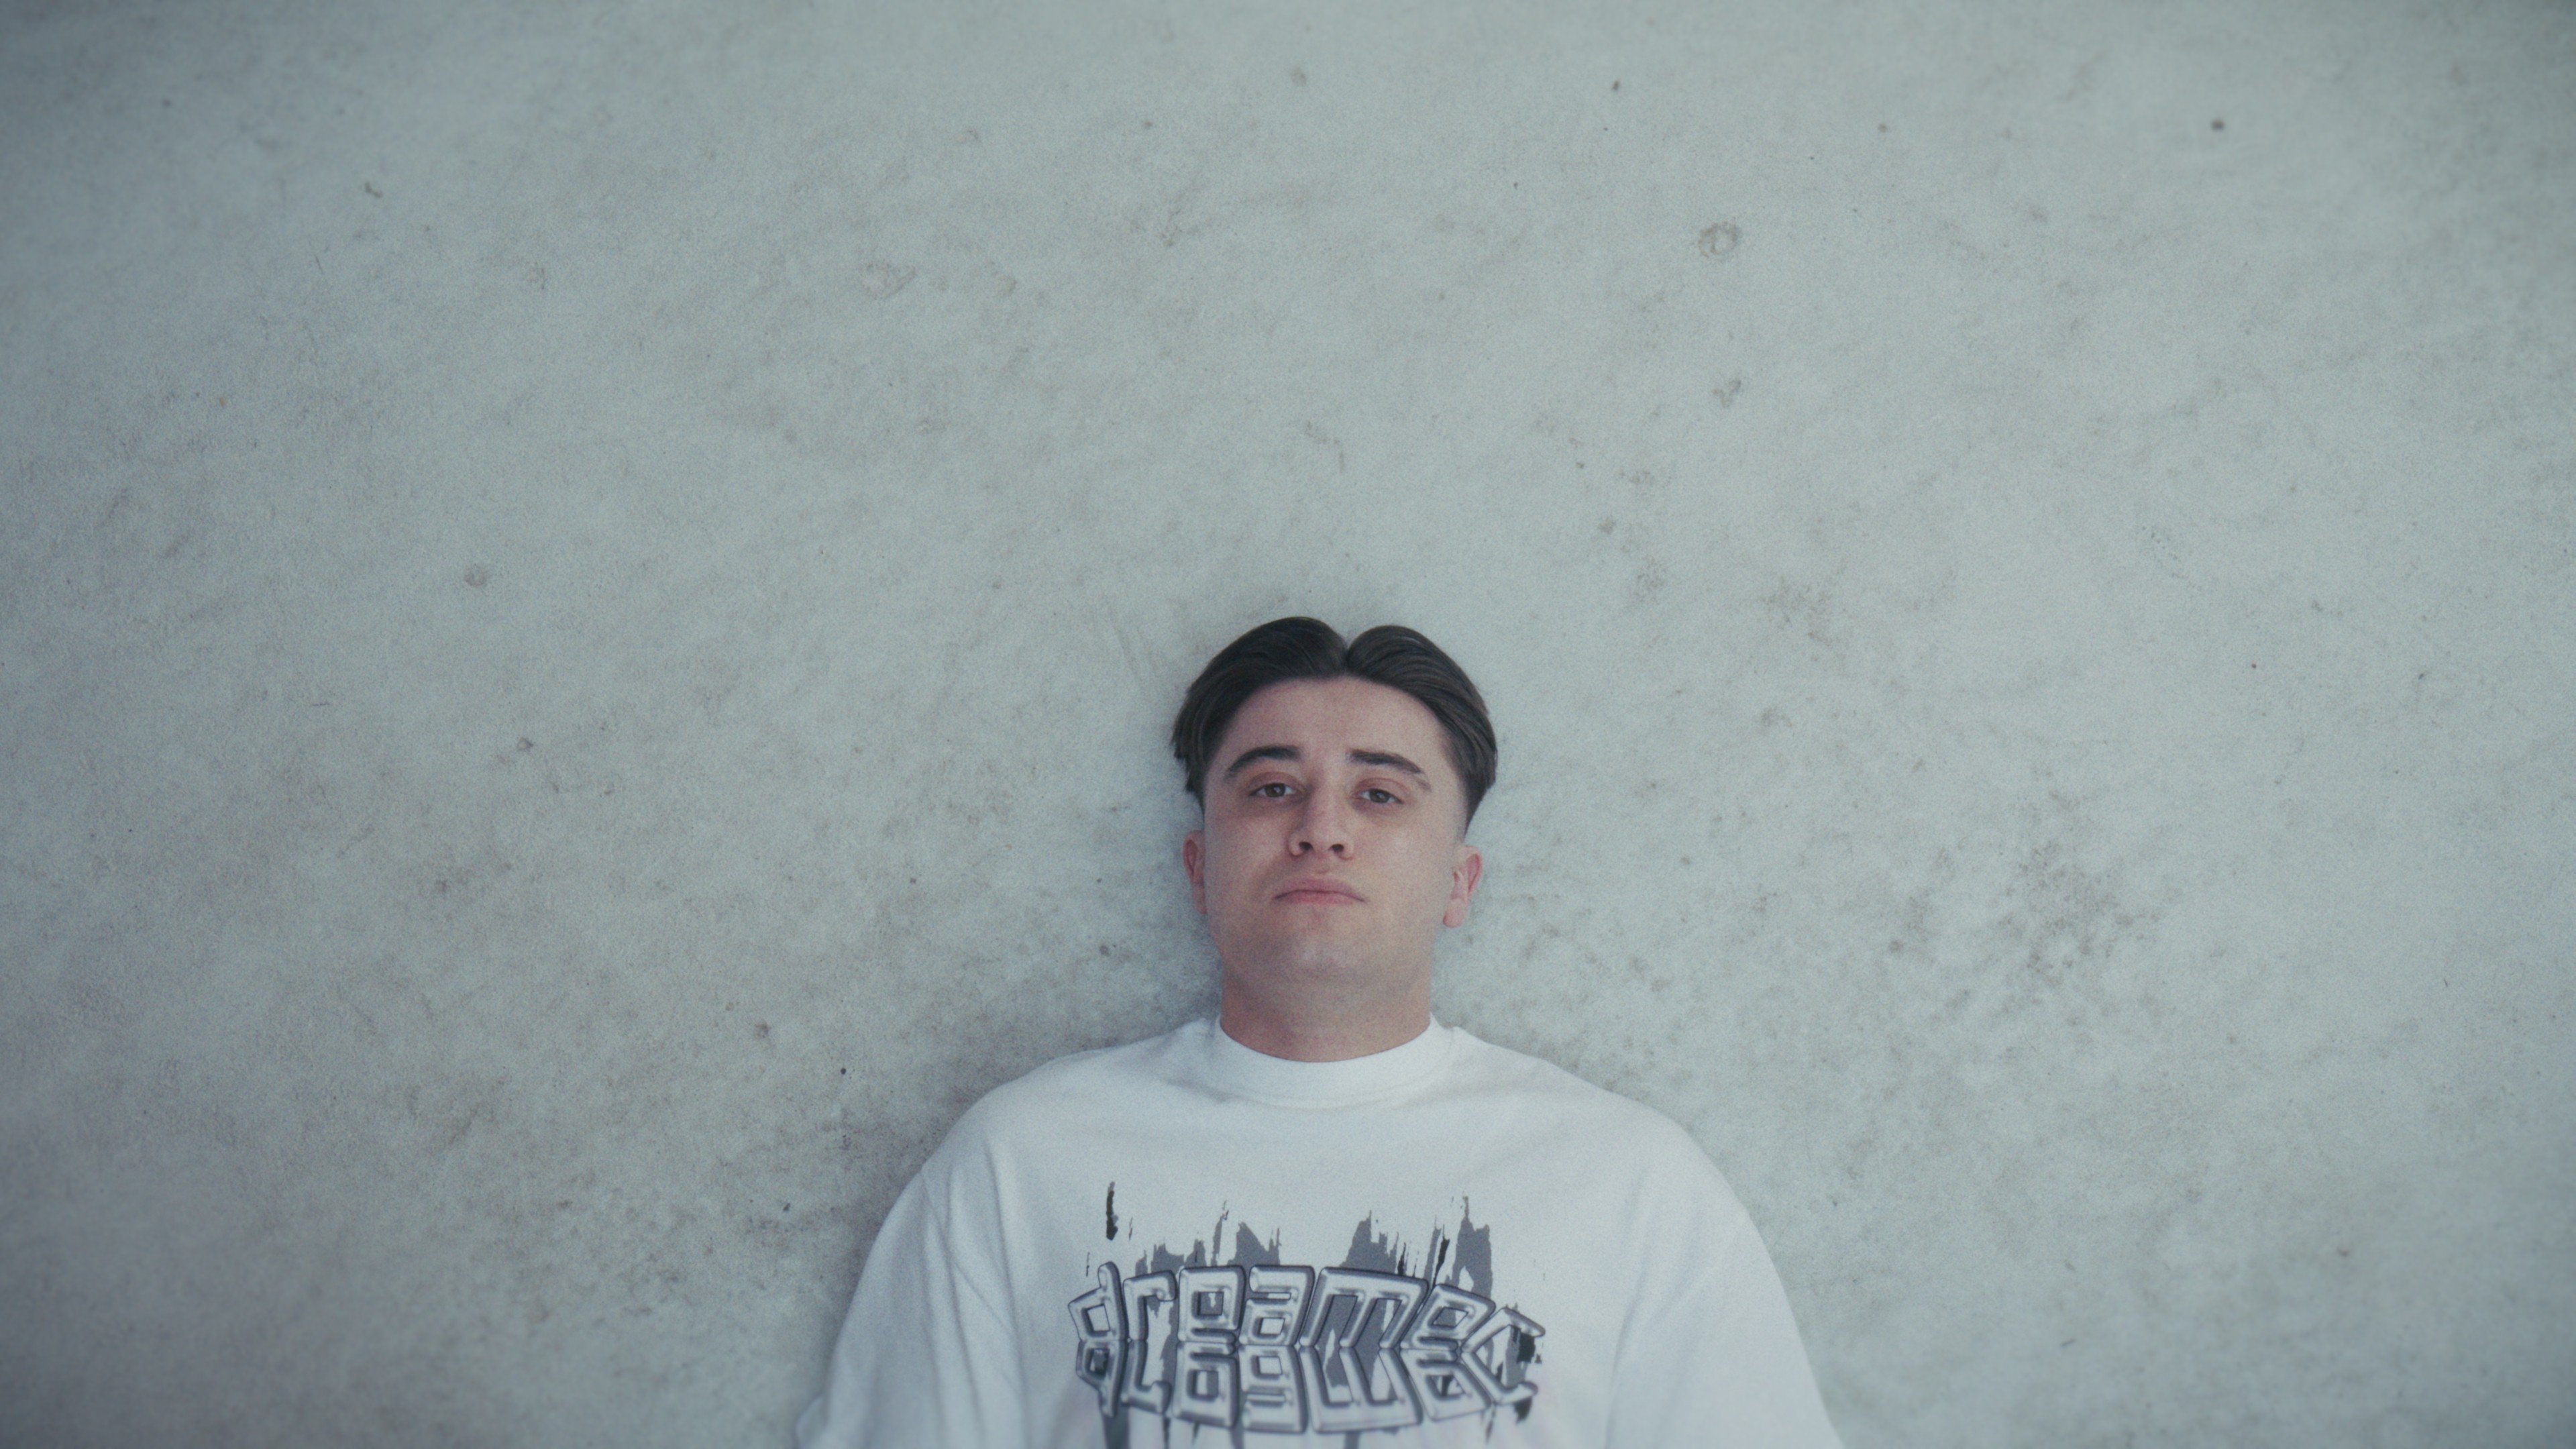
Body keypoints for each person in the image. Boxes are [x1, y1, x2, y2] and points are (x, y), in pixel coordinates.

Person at [797, 618, 1841, 1447]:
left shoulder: (1631, 1184)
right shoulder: (1021, 1161)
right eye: (1272, 788)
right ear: (1200, 869)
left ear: (1460, 883)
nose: (1322, 827)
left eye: (1380, 794)